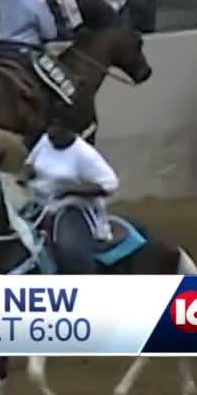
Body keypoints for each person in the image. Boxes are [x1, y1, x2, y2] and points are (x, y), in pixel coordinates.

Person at [22, 108, 120, 274]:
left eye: (56, 128)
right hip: (39, 203)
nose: (50, 132)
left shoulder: (84, 154)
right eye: (49, 127)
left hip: (71, 208)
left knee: (68, 247)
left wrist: (70, 191)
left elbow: (110, 184)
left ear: (70, 129)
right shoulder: (46, 141)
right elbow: (31, 165)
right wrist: (24, 174)